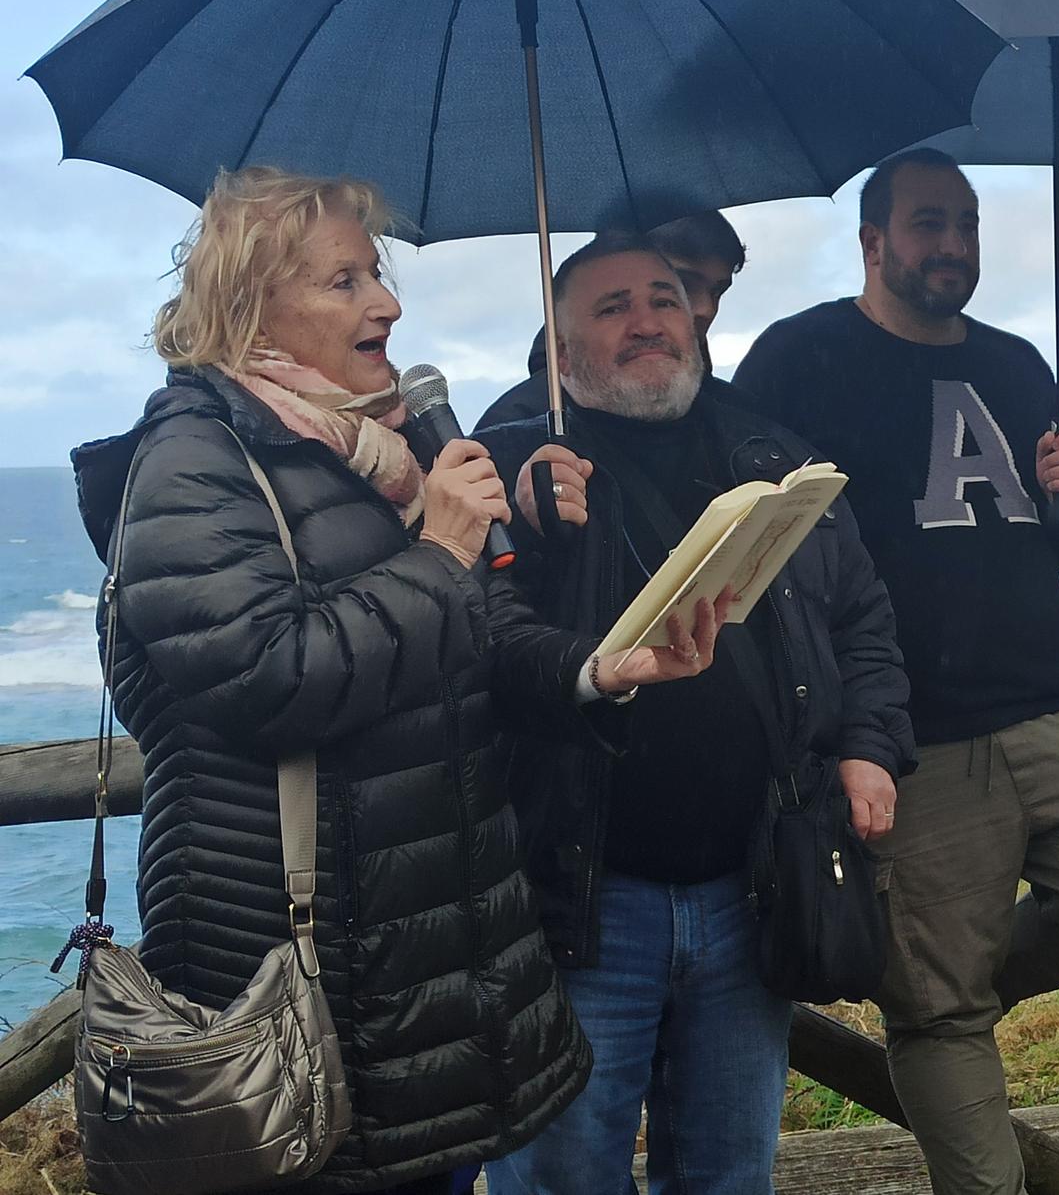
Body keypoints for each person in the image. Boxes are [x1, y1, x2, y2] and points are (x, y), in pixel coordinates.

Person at [70, 169, 715, 1194]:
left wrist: (595, 666)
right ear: (247, 309)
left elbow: (477, 632)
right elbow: (276, 676)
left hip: (431, 988)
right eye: (345, 282)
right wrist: (444, 549)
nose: (388, 304)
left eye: (375, 272)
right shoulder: (194, 462)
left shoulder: (370, 450)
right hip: (301, 990)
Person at [733, 147, 1059, 1195]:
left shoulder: (1019, 362)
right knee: (935, 1013)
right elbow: (759, 540)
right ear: (872, 240)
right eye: (929, 222)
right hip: (912, 733)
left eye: (967, 224)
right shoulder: (797, 359)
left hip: (1045, 704)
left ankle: (950, 987)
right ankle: (943, 1020)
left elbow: (1049, 541)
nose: (952, 245)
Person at [475, 231, 915, 1195]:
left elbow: (863, 619)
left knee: (727, 1178)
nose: (646, 322)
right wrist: (533, 525)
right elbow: (482, 646)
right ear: (557, 347)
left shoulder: (768, 447)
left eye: (663, 300)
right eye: (611, 306)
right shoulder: (508, 457)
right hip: (583, 901)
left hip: (750, 883)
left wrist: (871, 747)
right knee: (564, 1181)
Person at [476, 209, 747, 430]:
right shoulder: (512, 436)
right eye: (684, 284)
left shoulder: (748, 425)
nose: (705, 309)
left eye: (717, 291)